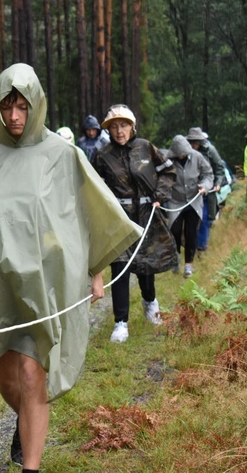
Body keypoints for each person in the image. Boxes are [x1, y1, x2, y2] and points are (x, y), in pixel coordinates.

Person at [0, 64, 141, 471]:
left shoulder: (61, 154)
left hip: (45, 282)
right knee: (9, 379)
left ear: (36, 104)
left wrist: (95, 270)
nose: (14, 116)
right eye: (6, 106)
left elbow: (86, 213)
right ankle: (25, 421)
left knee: (33, 373)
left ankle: (30, 465)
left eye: (22, 106)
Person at [93, 104, 178, 343]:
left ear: (132, 126)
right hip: (118, 218)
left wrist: (159, 195)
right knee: (120, 267)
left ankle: (150, 302)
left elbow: (168, 171)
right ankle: (121, 323)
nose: (119, 131)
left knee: (145, 265)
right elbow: (92, 185)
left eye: (124, 125)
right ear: (108, 130)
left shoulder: (146, 148)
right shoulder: (102, 155)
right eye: (114, 126)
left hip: (146, 214)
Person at [165, 135, 213, 278]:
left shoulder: (197, 157)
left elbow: (208, 175)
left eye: (184, 153)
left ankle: (188, 266)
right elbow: (160, 176)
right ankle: (176, 258)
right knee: (175, 231)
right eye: (179, 154)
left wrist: (204, 186)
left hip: (194, 199)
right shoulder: (167, 160)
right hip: (175, 200)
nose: (182, 156)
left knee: (191, 232)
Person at [186, 127, 226, 252]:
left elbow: (219, 168)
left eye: (196, 142)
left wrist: (218, 183)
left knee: (205, 220)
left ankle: (201, 248)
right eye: (191, 142)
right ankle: (192, 246)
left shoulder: (210, 151)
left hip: (207, 191)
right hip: (190, 192)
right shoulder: (185, 152)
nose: (194, 145)